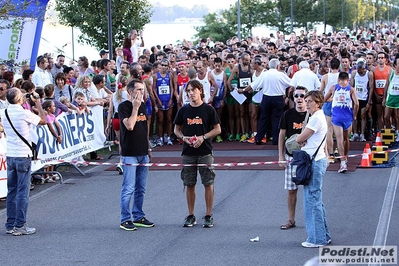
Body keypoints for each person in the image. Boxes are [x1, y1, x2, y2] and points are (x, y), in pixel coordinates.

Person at [173, 80, 221, 228]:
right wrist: (184, 138)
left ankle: (208, 215)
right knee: (189, 184)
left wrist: (203, 137)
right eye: (188, 91)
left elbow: (217, 129)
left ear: (200, 90)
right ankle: (191, 215)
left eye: (193, 90)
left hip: (205, 151)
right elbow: (176, 130)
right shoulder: (183, 110)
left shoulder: (208, 109)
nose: (190, 93)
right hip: (188, 152)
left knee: (208, 183)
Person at [1, 88, 46, 235]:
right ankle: (20, 225)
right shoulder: (24, 113)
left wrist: (24, 97)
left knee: (11, 191)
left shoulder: (4, 112)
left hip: (11, 155)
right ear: (20, 99)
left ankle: (10, 224)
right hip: (23, 155)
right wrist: (37, 102)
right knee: (22, 192)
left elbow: (15, 102)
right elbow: (43, 120)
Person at [296, 90, 331, 248]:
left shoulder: (315, 118)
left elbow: (299, 138)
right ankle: (324, 235)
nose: (307, 103)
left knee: (312, 201)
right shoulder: (319, 117)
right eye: (306, 100)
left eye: (310, 101)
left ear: (318, 103)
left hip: (314, 162)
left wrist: (301, 139)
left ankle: (317, 239)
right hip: (318, 159)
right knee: (316, 200)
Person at [118, 79, 154, 231]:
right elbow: (130, 125)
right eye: (138, 89)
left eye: (143, 89)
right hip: (130, 153)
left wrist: (148, 148)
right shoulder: (124, 107)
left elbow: (144, 128)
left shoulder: (144, 106)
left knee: (141, 187)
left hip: (142, 152)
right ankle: (125, 218)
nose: (141, 93)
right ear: (130, 91)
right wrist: (135, 108)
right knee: (128, 187)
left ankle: (138, 215)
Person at [278, 86, 308, 230]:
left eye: (302, 96)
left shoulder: (312, 115)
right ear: (293, 98)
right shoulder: (287, 114)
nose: (299, 99)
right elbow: (281, 135)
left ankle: (312, 219)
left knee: (311, 190)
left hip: (309, 158)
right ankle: (291, 219)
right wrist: (280, 155)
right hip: (292, 158)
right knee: (291, 190)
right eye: (296, 96)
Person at [244, 58, 291, 145]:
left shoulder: (265, 74)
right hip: (278, 98)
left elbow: (253, 85)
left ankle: (258, 138)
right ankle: (276, 139)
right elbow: (291, 83)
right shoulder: (281, 75)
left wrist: (243, 90)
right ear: (278, 66)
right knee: (277, 119)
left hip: (266, 98)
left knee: (263, 119)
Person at [324, 72, 359, 173]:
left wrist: (333, 99)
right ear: (348, 80)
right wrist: (355, 114)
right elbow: (356, 103)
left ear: (338, 80)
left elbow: (324, 100)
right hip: (348, 117)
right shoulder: (351, 89)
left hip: (337, 116)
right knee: (346, 139)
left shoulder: (333, 88)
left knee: (339, 139)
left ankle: (343, 163)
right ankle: (345, 157)